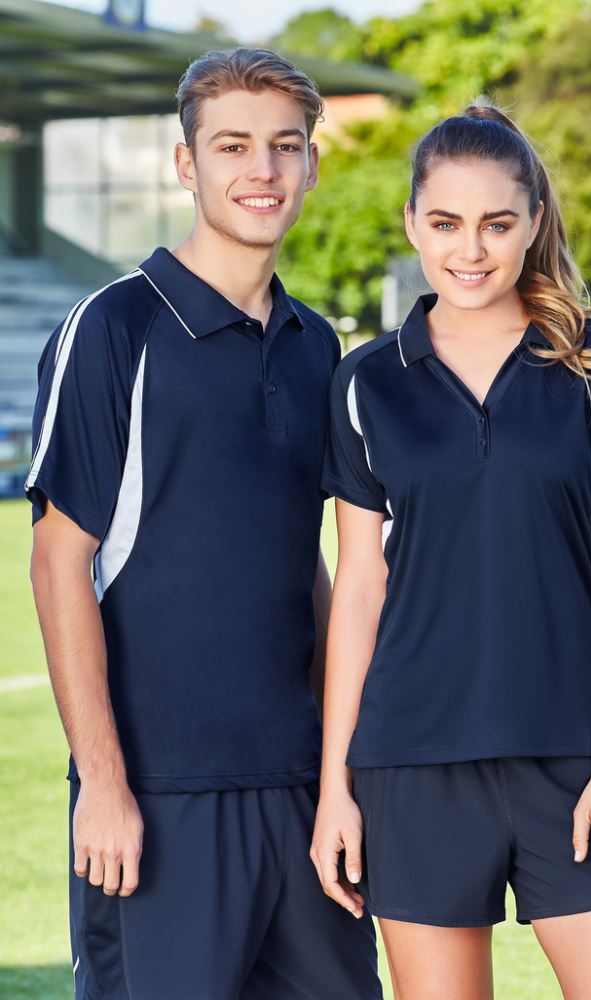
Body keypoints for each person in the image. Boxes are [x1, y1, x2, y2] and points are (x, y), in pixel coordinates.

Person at [311, 100, 591, 999]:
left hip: (573, 759)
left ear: (533, 224)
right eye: (444, 223)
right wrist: (335, 790)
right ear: (412, 223)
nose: (469, 249)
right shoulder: (366, 381)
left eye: (496, 223)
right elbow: (360, 592)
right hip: (409, 766)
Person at [27, 47, 381, 1000]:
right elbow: (61, 564)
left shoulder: (317, 348)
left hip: (303, 796)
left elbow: (302, 558)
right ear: (186, 165)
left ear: (312, 164)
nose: (260, 172)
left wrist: (339, 773)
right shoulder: (112, 330)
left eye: (284, 147)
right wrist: (103, 787)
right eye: (233, 147)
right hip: (159, 798)